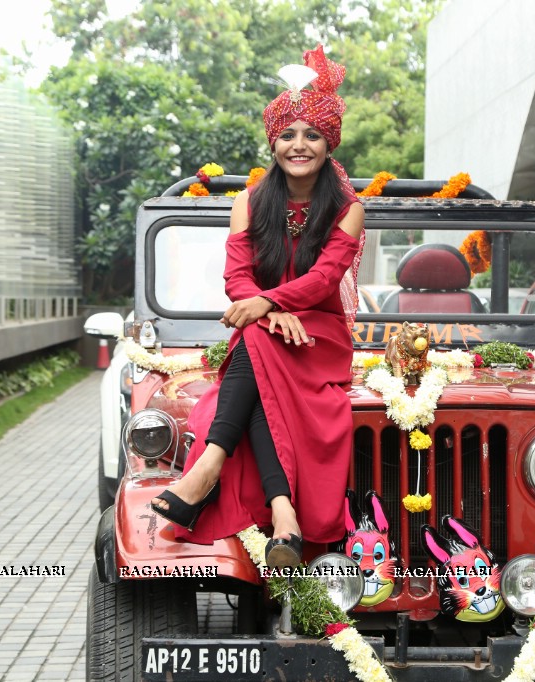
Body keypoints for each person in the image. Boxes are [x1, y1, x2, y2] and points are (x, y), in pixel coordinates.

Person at [150, 45, 365, 570]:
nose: (299, 145)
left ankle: (207, 469)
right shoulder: (248, 201)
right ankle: (284, 511)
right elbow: (235, 277)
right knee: (256, 342)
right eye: (288, 135)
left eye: (312, 135)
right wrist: (267, 312)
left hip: (320, 337)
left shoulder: (349, 209)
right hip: (265, 326)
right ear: (273, 141)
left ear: (328, 142)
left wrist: (264, 304)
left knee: (252, 338)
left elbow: (322, 281)